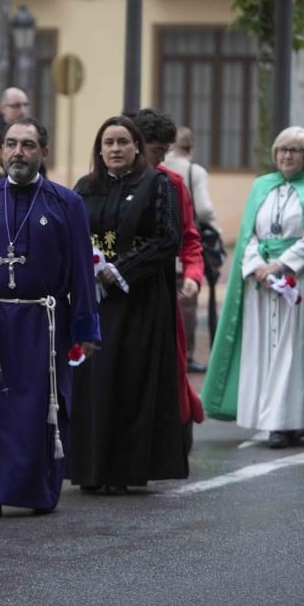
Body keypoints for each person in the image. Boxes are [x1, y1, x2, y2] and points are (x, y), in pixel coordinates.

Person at [0, 117, 99, 519]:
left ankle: (37, 490)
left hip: (45, 320)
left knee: (39, 406)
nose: (19, 152)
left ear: (43, 153)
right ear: (1, 150)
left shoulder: (65, 202)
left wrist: (85, 327)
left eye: (28, 145)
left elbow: (83, 273)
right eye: (12, 144)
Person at [69, 115, 186, 493]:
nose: (115, 149)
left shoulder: (158, 185)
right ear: (99, 149)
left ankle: (124, 471)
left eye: (123, 142)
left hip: (140, 301)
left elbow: (169, 239)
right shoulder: (84, 188)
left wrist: (119, 270)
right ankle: (90, 470)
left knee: (130, 381)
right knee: (93, 382)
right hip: (94, 300)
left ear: (137, 146)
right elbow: (71, 236)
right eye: (108, 143)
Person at [202, 127, 304, 448]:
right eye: (282, 150)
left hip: (296, 280)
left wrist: (281, 264)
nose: (287, 156)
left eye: (294, 150)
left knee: (292, 349)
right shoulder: (261, 186)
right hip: (260, 282)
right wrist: (256, 267)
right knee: (263, 347)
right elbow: (248, 233)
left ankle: (286, 421)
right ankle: (271, 417)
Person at [134, 109, 205, 446]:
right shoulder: (99, 184)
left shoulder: (172, 183)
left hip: (161, 291)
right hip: (112, 293)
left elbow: (190, 238)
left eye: (165, 151)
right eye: (155, 150)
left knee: (167, 366)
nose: (161, 158)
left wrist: (192, 274)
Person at [164, 125, 222, 372]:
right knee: (186, 303)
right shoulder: (193, 171)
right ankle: (185, 355)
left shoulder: (155, 167)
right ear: (191, 147)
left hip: (159, 249)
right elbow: (205, 208)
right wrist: (214, 229)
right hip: (184, 246)